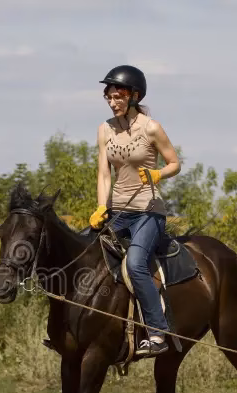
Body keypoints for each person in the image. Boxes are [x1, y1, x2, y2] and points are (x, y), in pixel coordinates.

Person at [89, 65, 181, 355]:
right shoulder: (105, 129)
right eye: (109, 96)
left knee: (135, 264)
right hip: (118, 212)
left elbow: (174, 163)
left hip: (148, 211)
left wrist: (158, 175)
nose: (112, 101)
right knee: (84, 253)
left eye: (118, 96)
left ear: (134, 96)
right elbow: (104, 174)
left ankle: (157, 334)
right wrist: (101, 207)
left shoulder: (151, 127)